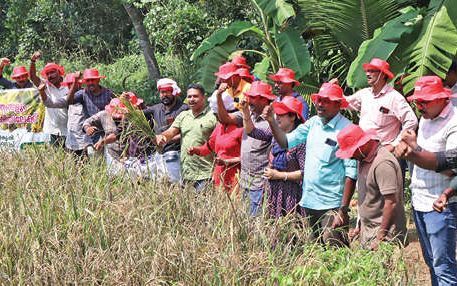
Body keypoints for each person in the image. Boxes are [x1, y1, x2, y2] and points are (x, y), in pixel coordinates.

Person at [265, 82, 357, 246]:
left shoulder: (347, 130)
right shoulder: (312, 123)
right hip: (309, 202)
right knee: (314, 252)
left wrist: (343, 210)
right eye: (319, 100)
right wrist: (272, 121)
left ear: (338, 104)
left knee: (335, 248)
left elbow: (351, 174)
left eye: (326, 101)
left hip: (332, 204)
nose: (320, 104)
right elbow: (286, 142)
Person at [394, 75, 457, 285]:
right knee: (431, 263)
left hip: (441, 204)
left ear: (442, 99)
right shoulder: (426, 118)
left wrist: (414, 151)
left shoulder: (453, 123)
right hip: (420, 201)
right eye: (417, 101)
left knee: (443, 266)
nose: (419, 106)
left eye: (424, 101)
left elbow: (452, 169)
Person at [336, 124, 407, 250]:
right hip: (370, 231)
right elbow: (368, 196)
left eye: (351, 152)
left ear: (362, 145)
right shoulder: (363, 158)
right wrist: (360, 227)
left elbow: (391, 203)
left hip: (385, 236)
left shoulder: (382, 163)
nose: (350, 157)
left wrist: (381, 237)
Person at [336, 58, 417, 149]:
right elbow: (346, 103)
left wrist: (395, 144)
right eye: (367, 71)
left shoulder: (394, 97)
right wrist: (335, 90)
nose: (367, 74)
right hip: (364, 149)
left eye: (372, 71)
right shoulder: (364, 94)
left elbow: (411, 121)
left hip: (383, 150)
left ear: (382, 75)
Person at [246, 96, 306, 218]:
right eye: (276, 114)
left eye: (281, 114)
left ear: (293, 117)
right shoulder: (275, 133)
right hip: (274, 192)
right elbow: (252, 132)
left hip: (292, 194)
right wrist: (245, 112)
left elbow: (305, 173)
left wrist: (279, 175)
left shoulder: (300, 141)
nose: (277, 117)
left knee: (291, 231)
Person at [155, 84, 217, 191]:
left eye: (195, 96)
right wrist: (162, 137)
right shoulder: (183, 115)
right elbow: (171, 132)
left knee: (204, 206)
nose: (192, 99)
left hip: (206, 173)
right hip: (186, 173)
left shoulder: (213, 116)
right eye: (189, 97)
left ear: (204, 97)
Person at [188, 91, 243, 193]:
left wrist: (228, 162)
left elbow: (249, 158)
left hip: (236, 177)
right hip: (220, 177)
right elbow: (208, 148)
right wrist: (196, 150)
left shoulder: (241, 128)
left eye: (218, 115)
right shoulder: (219, 127)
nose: (217, 118)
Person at [82, 93, 149, 175]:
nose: (120, 119)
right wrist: (87, 128)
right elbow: (87, 122)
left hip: (133, 152)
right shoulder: (104, 115)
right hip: (111, 150)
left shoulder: (137, 116)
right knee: (114, 173)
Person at [143, 78, 188, 183]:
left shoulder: (184, 109)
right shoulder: (156, 109)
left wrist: (167, 139)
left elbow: (187, 133)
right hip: (160, 154)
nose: (164, 95)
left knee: (176, 184)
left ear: (175, 92)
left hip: (178, 153)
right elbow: (137, 114)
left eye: (168, 91)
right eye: (162, 92)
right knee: (162, 183)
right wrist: (127, 104)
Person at [38, 72, 92, 156]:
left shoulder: (88, 94)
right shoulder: (67, 98)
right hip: (74, 139)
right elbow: (50, 103)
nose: (71, 86)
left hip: (89, 138)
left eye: (73, 84)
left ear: (80, 84)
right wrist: (42, 92)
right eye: (69, 84)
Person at [30, 51, 68, 147]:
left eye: (53, 72)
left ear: (59, 72)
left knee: (72, 157)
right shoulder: (46, 85)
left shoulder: (69, 84)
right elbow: (33, 77)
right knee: (56, 158)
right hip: (52, 130)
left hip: (69, 129)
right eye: (48, 73)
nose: (50, 75)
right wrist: (33, 61)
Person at [67, 68, 114, 145]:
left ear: (98, 80)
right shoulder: (83, 93)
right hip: (91, 130)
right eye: (88, 81)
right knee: (94, 155)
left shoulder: (108, 93)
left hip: (107, 131)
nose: (90, 83)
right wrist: (75, 81)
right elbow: (69, 101)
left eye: (93, 80)